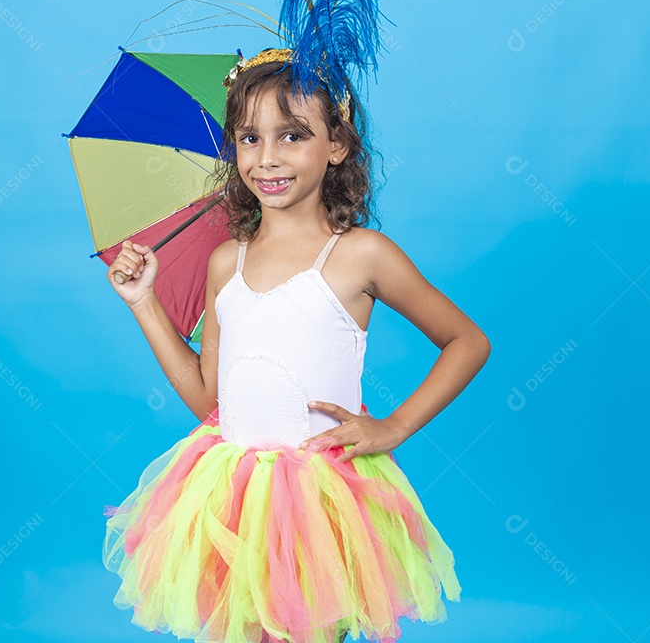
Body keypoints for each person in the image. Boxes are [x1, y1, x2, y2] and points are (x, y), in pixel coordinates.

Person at [101, 48, 491, 643]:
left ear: (336, 145)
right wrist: (144, 303)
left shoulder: (361, 254)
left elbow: (467, 340)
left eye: (292, 136)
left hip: (315, 496)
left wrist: (394, 427)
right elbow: (208, 397)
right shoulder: (224, 261)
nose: (268, 158)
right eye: (250, 138)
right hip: (230, 494)